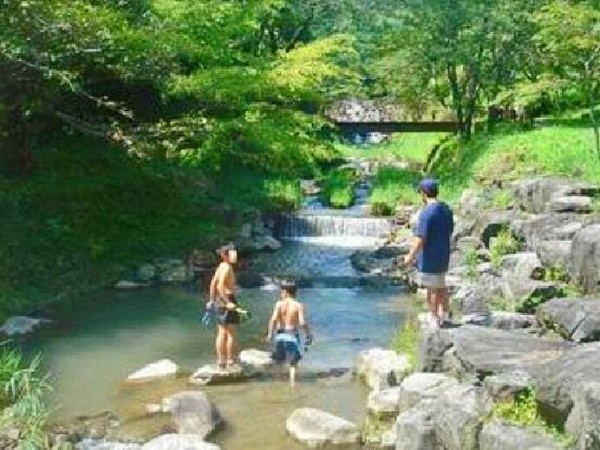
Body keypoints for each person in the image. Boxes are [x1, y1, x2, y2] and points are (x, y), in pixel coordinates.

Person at [404, 179, 454, 327]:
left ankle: (433, 317)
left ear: (424, 193)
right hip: (444, 253)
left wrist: (410, 256)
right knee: (441, 285)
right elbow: (450, 230)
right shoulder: (446, 209)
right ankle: (445, 314)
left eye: (420, 192)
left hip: (429, 256)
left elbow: (421, 238)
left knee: (432, 288)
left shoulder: (426, 213)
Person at [266, 280, 313, 386]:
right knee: (293, 364)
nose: (280, 293)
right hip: (292, 336)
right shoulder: (298, 305)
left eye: (281, 291)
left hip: (280, 336)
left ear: (285, 292)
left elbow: (273, 319)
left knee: (279, 361)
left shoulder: (278, 304)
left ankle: (278, 383)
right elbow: (302, 322)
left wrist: (270, 334)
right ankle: (292, 385)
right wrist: (308, 333)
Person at [208, 244, 240, 369]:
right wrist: (228, 302)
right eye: (233, 253)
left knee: (221, 332)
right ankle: (229, 360)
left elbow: (212, 284)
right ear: (225, 255)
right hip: (227, 299)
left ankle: (221, 360)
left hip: (219, 300)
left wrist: (211, 300)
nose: (235, 255)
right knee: (230, 332)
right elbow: (219, 286)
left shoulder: (220, 266)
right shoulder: (226, 268)